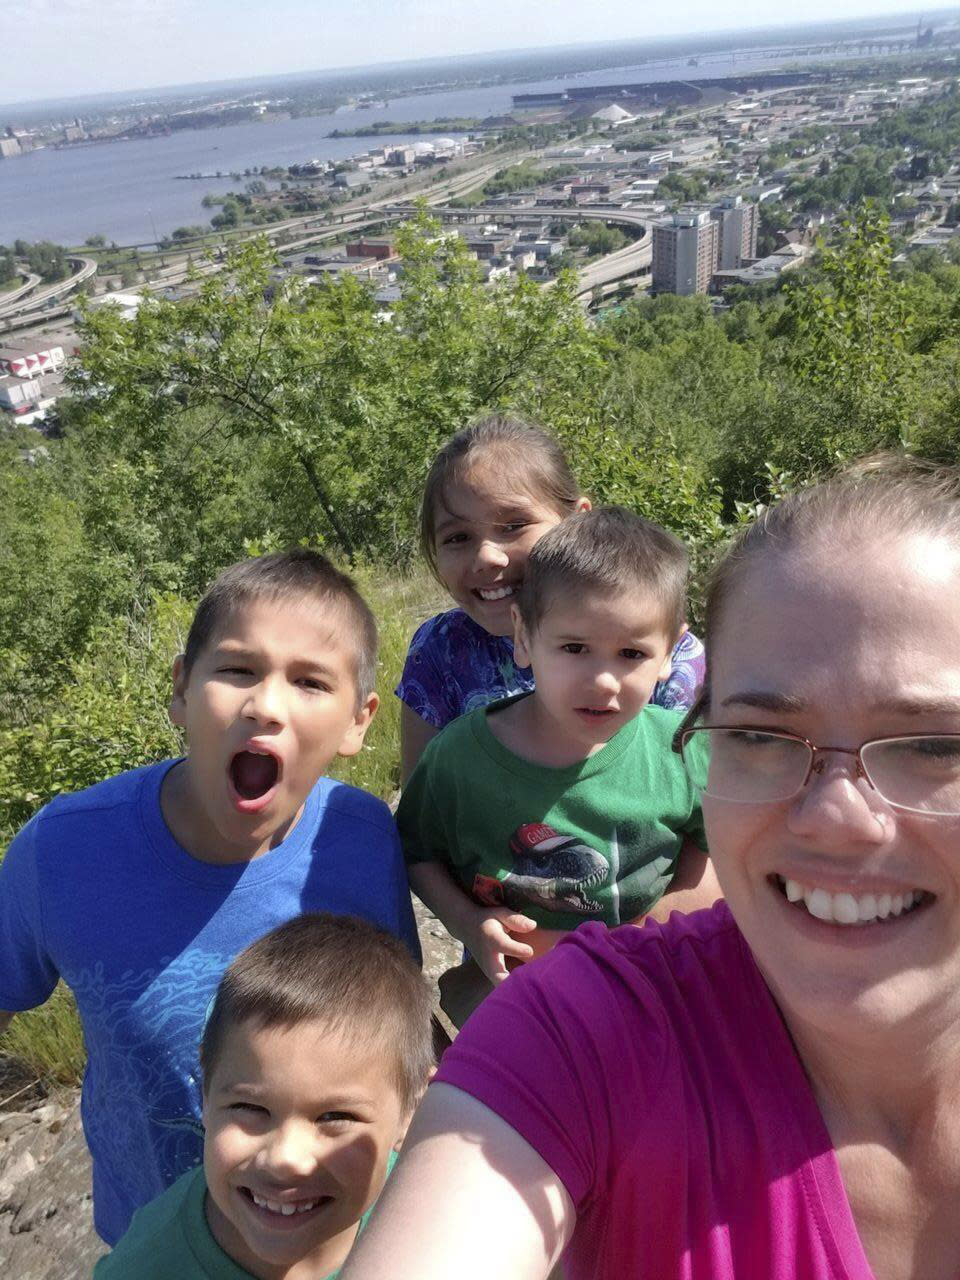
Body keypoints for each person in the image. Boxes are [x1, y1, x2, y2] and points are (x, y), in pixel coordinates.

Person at [342, 454, 960, 1280]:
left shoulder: (663, 762)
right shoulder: (573, 1034)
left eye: (932, 744)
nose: (838, 820)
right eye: (761, 735)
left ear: (671, 661)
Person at [0, 550, 419, 1246]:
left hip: (332, 1232)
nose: (264, 706)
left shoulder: (361, 841)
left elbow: (392, 1030)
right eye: (236, 669)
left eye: (310, 681)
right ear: (180, 691)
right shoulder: (62, 851)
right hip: (152, 1240)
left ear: (358, 722)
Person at [398, 507, 708, 1022]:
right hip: (517, 1003)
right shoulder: (457, 760)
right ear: (523, 636)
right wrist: (469, 924)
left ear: (671, 651)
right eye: (574, 647)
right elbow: (416, 853)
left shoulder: (682, 750)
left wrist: (654, 942)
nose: (603, 681)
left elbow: (715, 847)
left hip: (651, 991)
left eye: (631, 654)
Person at [95, 912, 433, 1280]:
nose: (285, 1159)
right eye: (249, 1107)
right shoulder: (145, 1266)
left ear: (413, 1110)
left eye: (336, 1117)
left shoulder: (444, 1221)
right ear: (206, 1096)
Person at [396, 415, 705, 783]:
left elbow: (702, 805)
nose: (487, 557)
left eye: (513, 526)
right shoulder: (440, 649)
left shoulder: (667, 657)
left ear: (577, 520)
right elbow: (421, 804)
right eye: (458, 538)